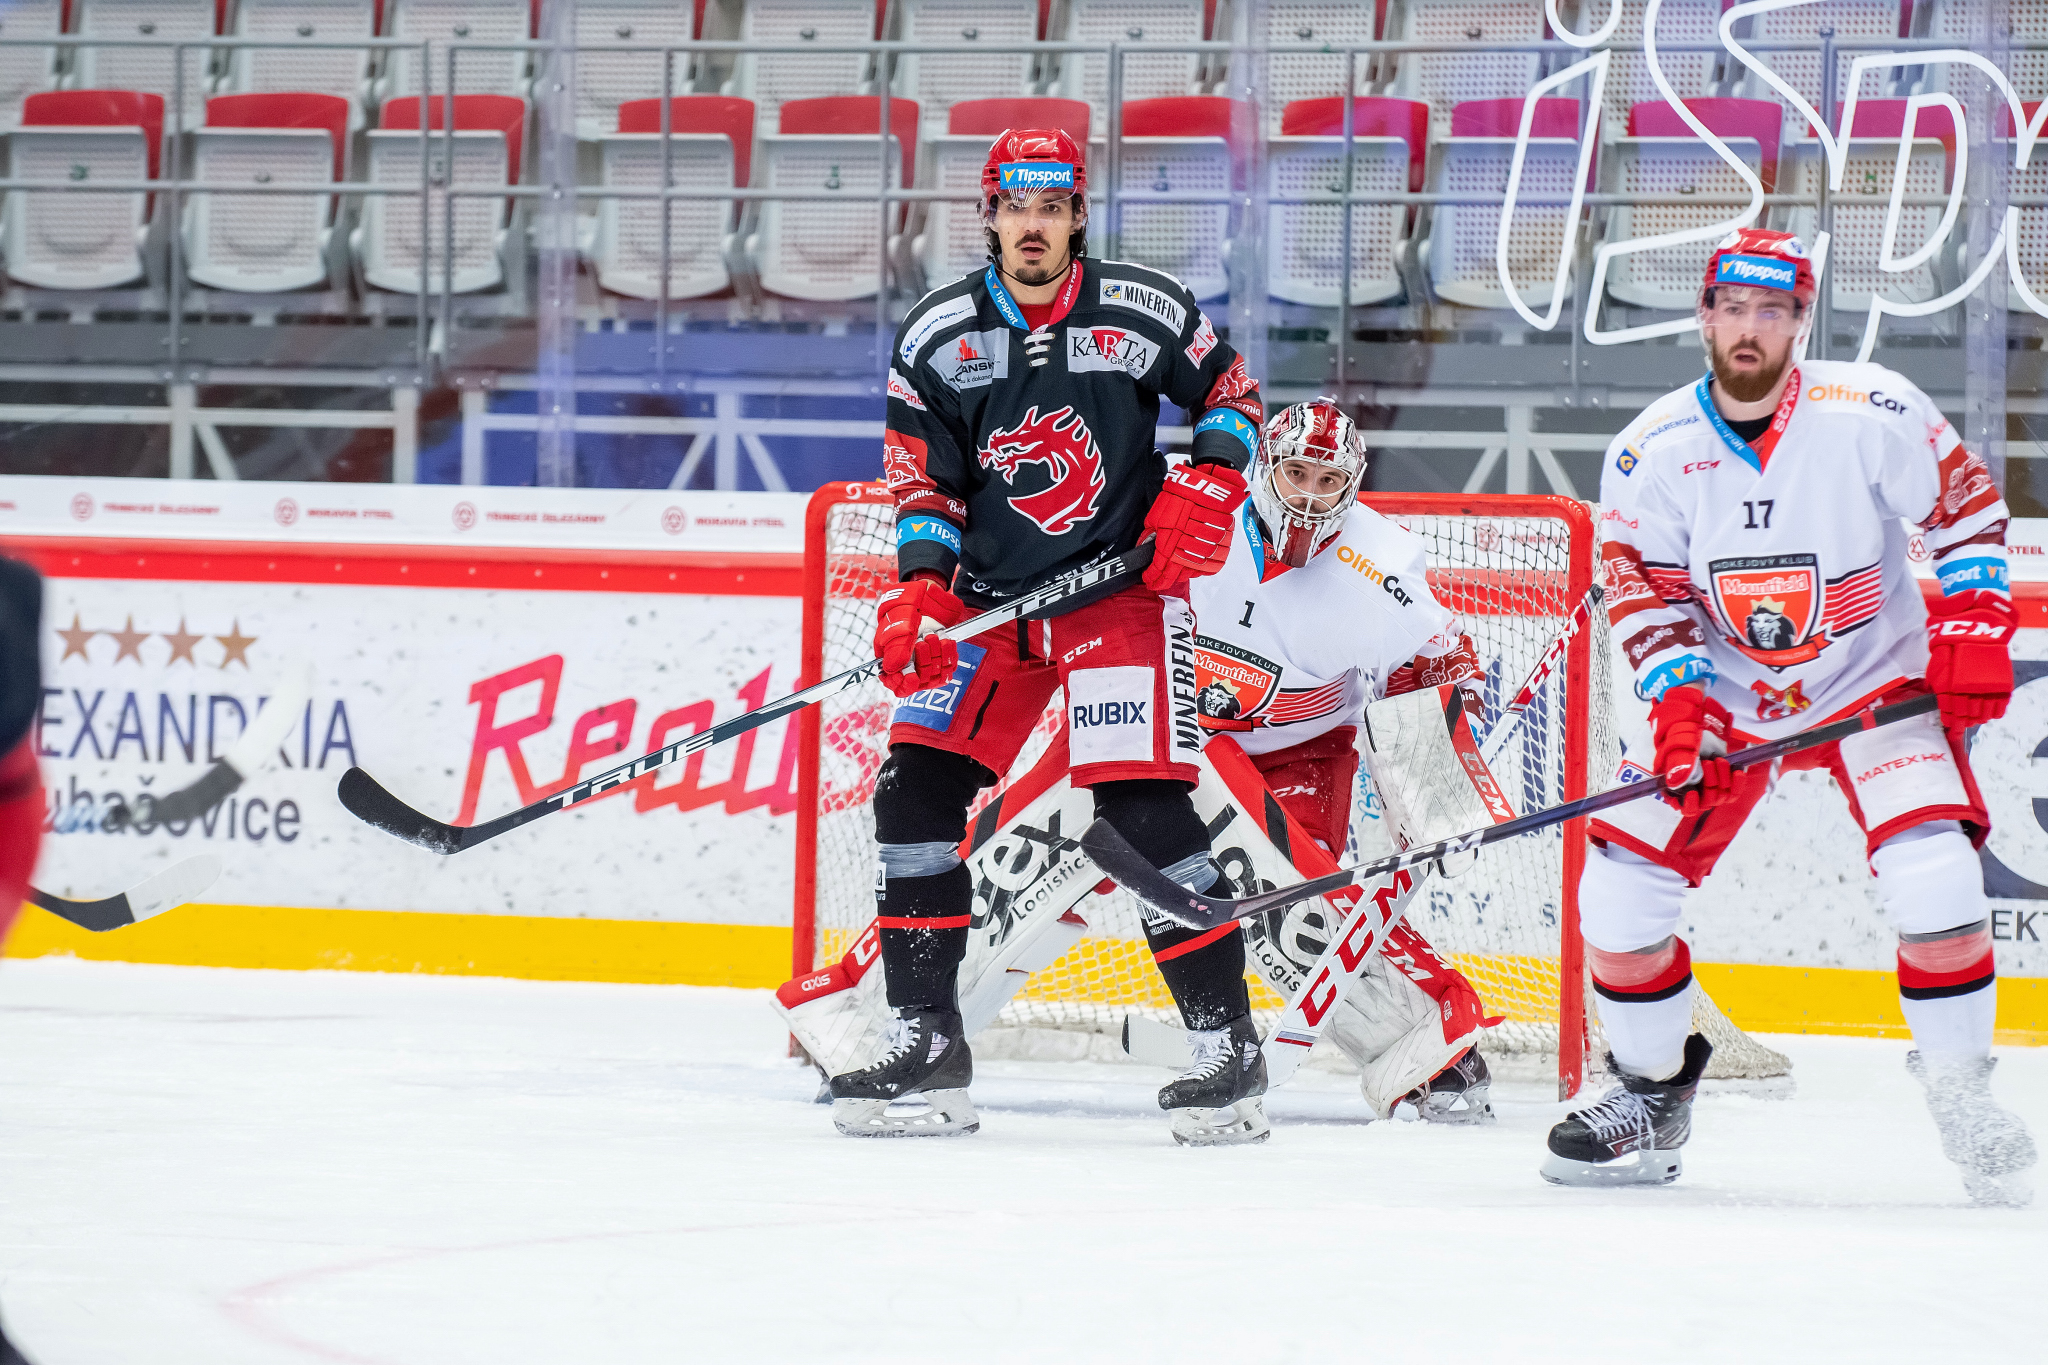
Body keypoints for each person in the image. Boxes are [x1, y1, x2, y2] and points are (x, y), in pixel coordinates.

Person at [1546, 228, 2036, 1205]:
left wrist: (1975, 624)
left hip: (1871, 684)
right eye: (1733, 307)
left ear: (1799, 321)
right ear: (1703, 315)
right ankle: (1649, 1092)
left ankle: (1960, 1091)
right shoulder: (1651, 448)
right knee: (1617, 899)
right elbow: (1643, 587)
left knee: (1934, 874)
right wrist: (1680, 706)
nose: (1749, 328)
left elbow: (1965, 509)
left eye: (1772, 311)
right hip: (1721, 695)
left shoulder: (1872, 410)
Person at [828, 128, 1269, 1141]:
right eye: (1015, 206)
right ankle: (928, 1042)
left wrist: (1210, 479)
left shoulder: (1143, 307)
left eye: (1053, 206)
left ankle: (1227, 1047)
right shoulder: (938, 334)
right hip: (991, 605)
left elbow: (1233, 396)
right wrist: (922, 593)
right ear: (989, 214)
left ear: (1077, 215)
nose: (1033, 225)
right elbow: (924, 483)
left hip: (1116, 595)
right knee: (912, 792)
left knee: (1140, 808)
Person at [1187, 398, 1502, 1121]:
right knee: (1083, 818)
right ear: (1264, 466)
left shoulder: (1379, 564)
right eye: (1296, 472)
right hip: (1179, 736)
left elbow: (1436, 660)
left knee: (1296, 901)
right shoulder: (1198, 506)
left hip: (1304, 750)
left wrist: (1438, 759)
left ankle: (1434, 1048)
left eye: (1328, 481)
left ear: (1352, 486)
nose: (1309, 495)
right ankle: (935, 987)